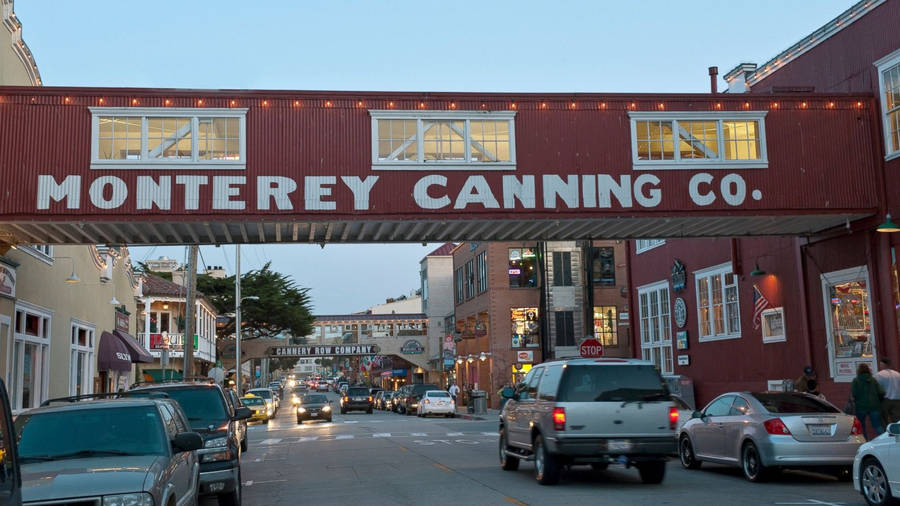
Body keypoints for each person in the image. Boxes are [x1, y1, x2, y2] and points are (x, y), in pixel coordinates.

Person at [852, 363, 886, 440]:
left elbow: (854, 394)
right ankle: (884, 440)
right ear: (868, 370)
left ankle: (865, 441)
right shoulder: (873, 380)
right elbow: (882, 392)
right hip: (874, 406)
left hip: (861, 407)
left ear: (858, 370)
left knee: (861, 426)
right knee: (877, 426)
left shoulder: (856, 381)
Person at [874, 357, 900, 424]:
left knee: (883, 420)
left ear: (883, 365)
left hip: (885, 400)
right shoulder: (897, 374)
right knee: (897, 420)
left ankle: (886, 430)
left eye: (880, 364)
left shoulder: (879, 375)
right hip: (897, 399)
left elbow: (876, 389)